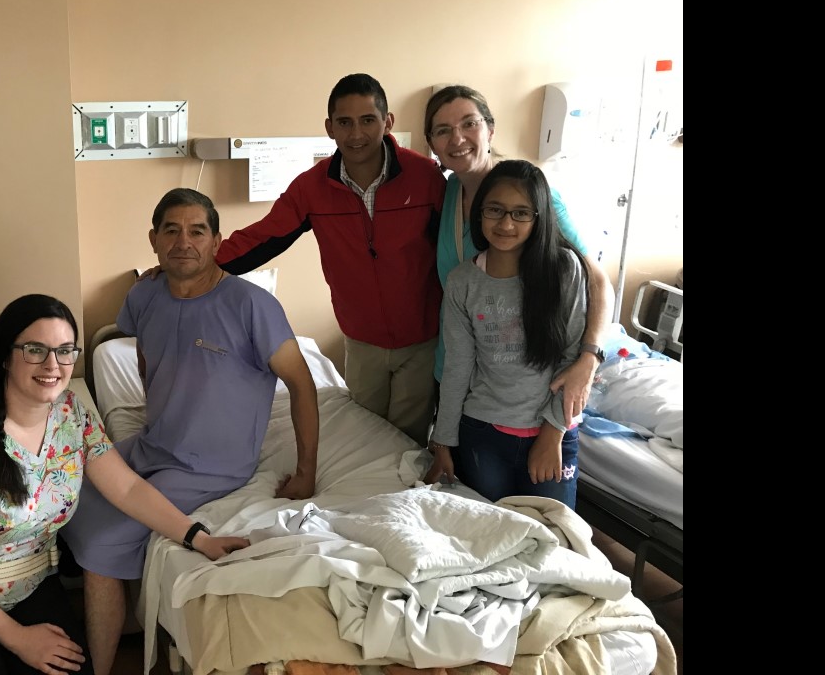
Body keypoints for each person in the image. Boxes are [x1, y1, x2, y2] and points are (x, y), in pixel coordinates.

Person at [0, 294, 249, 675]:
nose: (52, 365)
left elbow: (128, 489)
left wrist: (198, 537)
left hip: (28, 587)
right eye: (35, 350)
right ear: (5, 356)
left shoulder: (72, 415)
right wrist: (19, 639)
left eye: (64, 351)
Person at [63, 188, 321, 675]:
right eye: (172, 231)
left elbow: (302, 384)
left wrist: (306, 471)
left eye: (197, 231)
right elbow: (145, 354)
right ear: (154, 240)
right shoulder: (143, 295)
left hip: (211, 466)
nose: (184, 242)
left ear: (217, 242)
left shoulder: (251, 305)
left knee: (100, 544)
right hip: (152, 444)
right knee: (62, 487)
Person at [215, 73, 446, 446]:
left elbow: (456, 249)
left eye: (367, 120)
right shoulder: (312, 188)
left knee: (409, 444)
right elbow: (263, 236)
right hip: (362, 341)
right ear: (329, 128)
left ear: (387, 122)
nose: (356, 134)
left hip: (422, 341)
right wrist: (198, 265)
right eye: (344, 122)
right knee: (365, 438)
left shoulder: (425, 178)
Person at [424, 85, 613, 427]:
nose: (457, 139)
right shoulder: (450, 191)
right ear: (432, 143)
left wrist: (590, 357)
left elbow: (596, 281)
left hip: (516, 390)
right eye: (443, 130)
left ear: (490, 130)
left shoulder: (534, 197)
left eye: (469, 124)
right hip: (455, 371)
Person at [423, 160, 588, 508]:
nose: (506, 223)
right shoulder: (462, 281)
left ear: (538, 217)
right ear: (480, 212)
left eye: (521, 213)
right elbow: (458, 366)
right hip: (483, 432)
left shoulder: (563, 269)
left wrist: (552, 434)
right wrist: (443, 441)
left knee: (553, 532)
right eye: (495, 210)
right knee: (489, 531)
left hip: (552, 432)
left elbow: (573, 357)